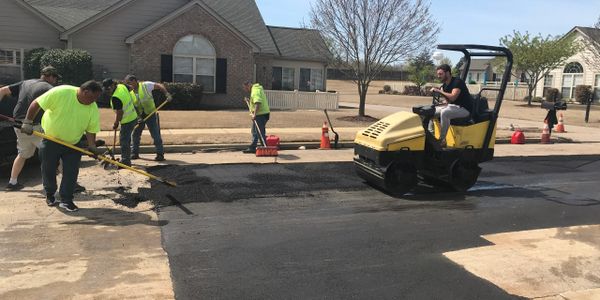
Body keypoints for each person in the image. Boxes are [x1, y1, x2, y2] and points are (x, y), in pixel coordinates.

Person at [20, 80, 103, 212]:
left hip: (73, 143)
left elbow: (91, 128)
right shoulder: (61, 92)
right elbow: (37, 103)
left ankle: (66, 200)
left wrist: (92, 146)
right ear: (85, 91)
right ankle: (50, 194)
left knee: (71, 171)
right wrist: (28, 122)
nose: (94, 101)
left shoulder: (92, 107)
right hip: (51, 140)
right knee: (49, 169)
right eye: (93, 98)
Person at [0, 66, 60, 191]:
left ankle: (13, 182)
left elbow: (2, 91)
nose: (56, 81)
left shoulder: (25, 82)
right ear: (51, 76)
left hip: (18, 125)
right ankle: (70, 183)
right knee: (55, 153)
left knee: (22, 154)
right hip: (35, 126)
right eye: (55, 78)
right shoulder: (49, 89)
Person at [123, 74, 171, 161]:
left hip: (150, 114)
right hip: (140, 116)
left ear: (134, 80)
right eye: (127, 84)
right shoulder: (130, 94)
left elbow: (159, 86)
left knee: (155, 134)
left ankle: (160, 154)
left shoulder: (146, 85)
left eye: (129, 83)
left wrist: (166, 94)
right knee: (135, 134)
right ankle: (134, 153)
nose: (129, 85)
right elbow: (134, 107)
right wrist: (138, 117)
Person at [430, 64, 473, 147]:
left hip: (465, 109)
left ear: (448, 73)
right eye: (438, 74)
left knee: (445, 112)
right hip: (453, 107)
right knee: (430, 111)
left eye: (441, 74)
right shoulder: (445, 85)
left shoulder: (457, 82)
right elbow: (448, 101)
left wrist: (439, 91)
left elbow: (453, 97)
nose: (438, 76)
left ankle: (442, 140)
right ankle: (431, 136)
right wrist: (440, 104)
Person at [102, 78, 138, 167]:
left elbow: (120, 112)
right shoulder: (122, 86)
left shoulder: (116, 97)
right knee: (127, 139)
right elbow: (130, 88)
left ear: (113, 85)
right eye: (106, 89)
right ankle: (127, 158)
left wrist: (116, 123)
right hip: (133, 117)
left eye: (109, 88)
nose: (107, 91)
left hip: (127, 121)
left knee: (124, 141)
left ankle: (126, 161)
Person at [242, 81, 270, 154]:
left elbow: (258, 102)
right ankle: (253, 147)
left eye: (245, 88)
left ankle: (265, 148)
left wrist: (254, 114)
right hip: (261, 114)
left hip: (261, 114)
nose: (245, 90)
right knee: (255, 131)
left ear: (248, 85)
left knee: (259, 132)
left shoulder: (255, 90)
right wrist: (249, 100)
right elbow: (255, 102)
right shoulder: (256, 89)